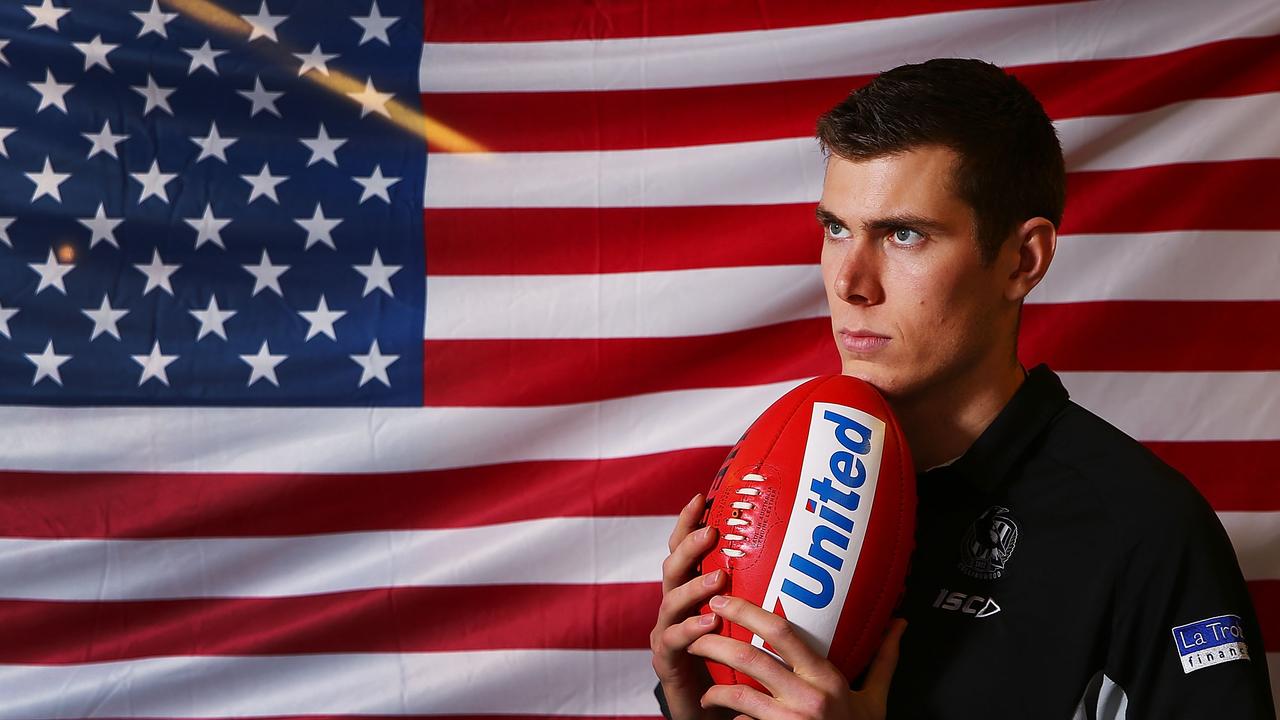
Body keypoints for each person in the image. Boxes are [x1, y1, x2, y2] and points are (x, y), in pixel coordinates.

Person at [650, 58, 1274, 719]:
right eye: (836, 228)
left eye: (904, 234)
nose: (850, 282)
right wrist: (701, 709)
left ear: (1022, 260)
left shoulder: (1143, 529)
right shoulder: (783, 474)